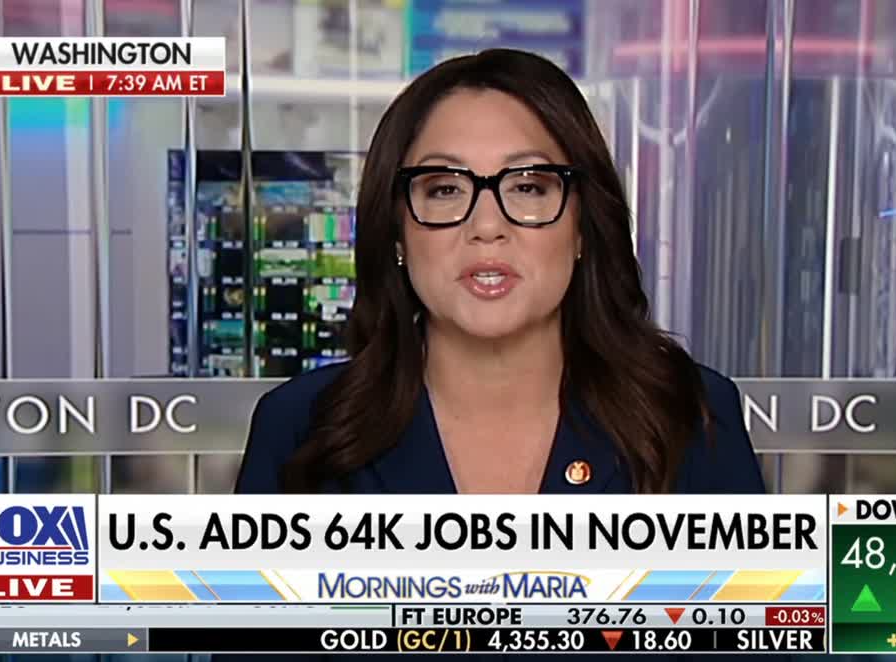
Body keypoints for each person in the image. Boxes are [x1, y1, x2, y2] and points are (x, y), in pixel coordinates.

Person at [229, 49, 768, 661]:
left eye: (529, 186)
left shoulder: (688, 414)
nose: (487, 226)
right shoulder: (299, 428)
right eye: (444, 189)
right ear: (397, 231)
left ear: (583, 227)